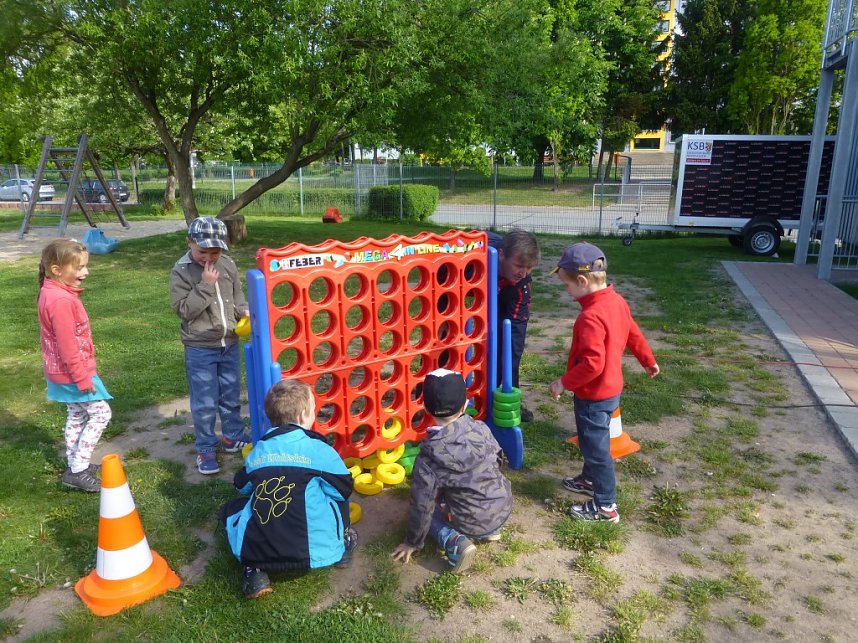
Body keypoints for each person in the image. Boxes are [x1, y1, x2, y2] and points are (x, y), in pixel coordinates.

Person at [548, 242, 659, 523]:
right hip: (611, 392)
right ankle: (588, 480)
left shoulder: (589, 318)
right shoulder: (617, 301)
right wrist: (648, 360)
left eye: (567, 285)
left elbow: (592, 365)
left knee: (597, 451)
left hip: (593, 396)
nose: (567, 291)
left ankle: (606, 506)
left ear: (583, 281)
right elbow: (634, 333)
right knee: (592, 441)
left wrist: (563, 383)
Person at [220, 379, 356, 598]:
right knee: (337, 496)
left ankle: (254, 570)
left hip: (260, 550)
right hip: (316, 551)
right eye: (314, 409)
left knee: (238, 507)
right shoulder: (319, 449)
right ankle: (342, 546)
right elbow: (344, 489)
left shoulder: (260, 450)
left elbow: (242, 486)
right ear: (304, 415)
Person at [392, 368, 512, 573]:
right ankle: (492, 530)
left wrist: (412, 542)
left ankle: (455, 542)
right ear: (465, 405)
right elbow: (498, 459)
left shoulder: (429, 456)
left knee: (425, 515)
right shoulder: (481, 428)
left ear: (425, 409)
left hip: (470, 521)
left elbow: (422, 505)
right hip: (502, 508)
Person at [170, 216, 251, 475]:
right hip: (200, 346)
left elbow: (237, 296)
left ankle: (232, 436)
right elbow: (184, 310)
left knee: (230, 392)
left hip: (229, 342)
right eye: (203, 251)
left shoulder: (226, 264)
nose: (209, 258)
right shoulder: (181, 270)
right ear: (189, 242)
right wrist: (205, 286)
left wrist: (243, 310)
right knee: (205, 399)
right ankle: (205, 446)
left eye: (214, 252)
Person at [38, 239, 112, 493]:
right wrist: (82, 378)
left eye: (85, 267)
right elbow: (68, 346)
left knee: (78, 414)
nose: (85, 272)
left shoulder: (53, 291)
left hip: (60, 371)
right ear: (57, 270)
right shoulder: (60, 301)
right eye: (79, 268)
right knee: (101, 413)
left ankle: (75, 463)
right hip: (72, 373)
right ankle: (78, 469)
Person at [489, 229, 540, 422]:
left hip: (506, 296)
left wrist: (509, 393)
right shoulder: (475, 260)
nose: (523, 272)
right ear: (501, 254)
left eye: (529, 267)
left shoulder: (522, 282)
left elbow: (515, 336)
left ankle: (510, 398)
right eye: (519, 265)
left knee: (509, 348)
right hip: (470, 288)